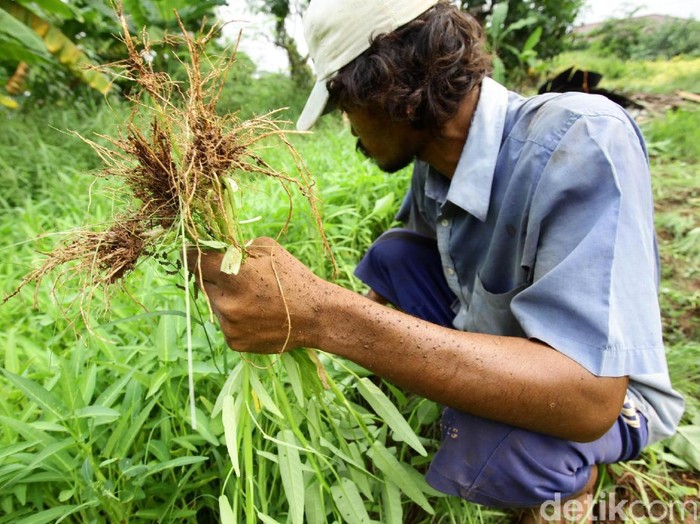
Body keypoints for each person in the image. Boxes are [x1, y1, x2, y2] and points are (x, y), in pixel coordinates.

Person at [190, 0, 684, 521]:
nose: (348, 127)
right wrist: (335, 368)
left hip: (605, 394)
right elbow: (396, 279)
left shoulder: (583, 139)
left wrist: (322, 317)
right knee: (395, 253)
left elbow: (588, 398)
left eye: (343, 105)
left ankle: (574, 484)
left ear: (387, 90)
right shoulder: (434, 164)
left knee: (497, 448)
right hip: (500, 338)